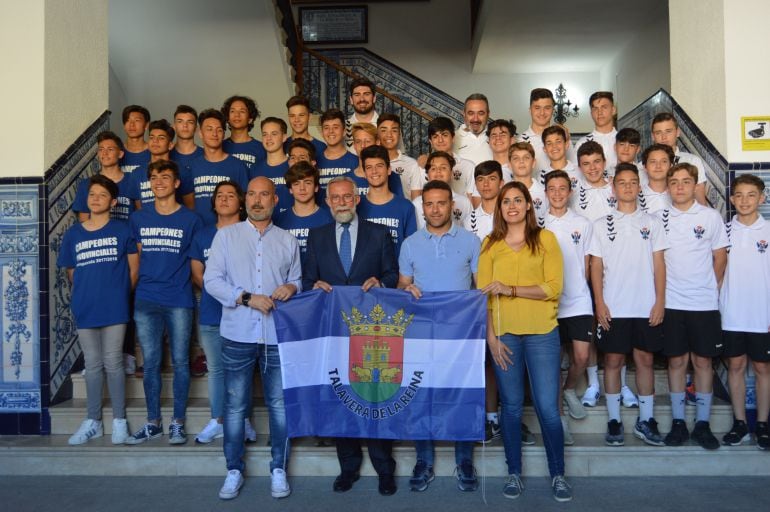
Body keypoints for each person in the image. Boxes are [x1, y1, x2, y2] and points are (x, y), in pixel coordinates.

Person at [204, 176, 301, 500]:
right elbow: (211, 281)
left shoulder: (288, 240)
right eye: (252, 195)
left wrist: (292, 287)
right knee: (235, 407)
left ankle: (278, 468)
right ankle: (234, 469)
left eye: (264, 195)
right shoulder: (226, 237)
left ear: (276, 200)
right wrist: (245, 297)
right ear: (245, 200)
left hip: (276, 336)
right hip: (237, 335)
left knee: (279, 406)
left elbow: (297, 279)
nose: (257, 200)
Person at [302, 176, 399, 497]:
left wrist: (380, 282)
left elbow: (391, 274)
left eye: (347, 197)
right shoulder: (316, 237)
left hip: (371, 333)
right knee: (341, 399)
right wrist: (313, 287)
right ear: (328, 202)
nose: (342, 202)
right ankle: (349, 468)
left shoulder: (379, 233)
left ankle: (385, 469)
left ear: (357, 199)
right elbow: (307, 280)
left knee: (374, 398)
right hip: (332, 333)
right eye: (336, 198)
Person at [477, 181, 571, 502]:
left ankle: (558, 474)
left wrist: (512, 289)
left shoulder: (545, 239)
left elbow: (553, 288)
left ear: (529, 205)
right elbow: (484, 298)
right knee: (512, 408)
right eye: (506, 202)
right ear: (500, 208)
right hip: (505, 336)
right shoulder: (490, 244)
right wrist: (491, 338)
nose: (512, 206)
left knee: (547, 409)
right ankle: (513, 473)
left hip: (542, 333)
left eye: (519, 200)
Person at [398, 179, 481, 492]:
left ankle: (464, 461)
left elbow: (480, 288)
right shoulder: (410, 244)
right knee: (421, 397)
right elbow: (402, 286)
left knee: (462, 395)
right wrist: (407, 289)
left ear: (452, 206)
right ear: (423, 207)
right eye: (429, 204)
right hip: (421, 334)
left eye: (441, 203)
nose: (434, 209)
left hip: (460, 335)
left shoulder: (472, 242)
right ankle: (425, 461)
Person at [588, 164, 668, 447]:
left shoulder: (653, 222)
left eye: (633, 182)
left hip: (646, 306)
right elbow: (595, 267)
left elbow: (659, 265)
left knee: (645, 360)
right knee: (613, 361)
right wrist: (599, 303)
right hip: (614, 307)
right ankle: (614, 421)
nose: (627, 187)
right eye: (622, 183)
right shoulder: (600, 224)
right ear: (614, 187)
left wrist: (660, 302)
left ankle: (645, 421)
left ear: (639, 186)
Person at [125, 160, 202, 445]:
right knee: (152, 362)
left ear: (177, 183)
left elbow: (197, 263)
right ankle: (153, 421)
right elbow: (136, 261)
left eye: (165, 177)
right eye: (154, 177)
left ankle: (178, 423)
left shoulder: (191, 220)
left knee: (181, 362)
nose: (159, 181)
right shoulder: (138, 218)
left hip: (179, 299)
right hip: (146, 299)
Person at [58, 175, 139, 445]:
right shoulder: (74, 233)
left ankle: (119, 422)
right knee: (93, 365)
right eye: (92, 194)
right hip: (85, 306)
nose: (95, 198)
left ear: (112, 201)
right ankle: (92, 421)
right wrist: (88, 293)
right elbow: (72, 272)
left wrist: (117, 295)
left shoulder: (122, 230)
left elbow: (133, 269)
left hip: (115, 306)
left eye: (102, 195)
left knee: (114, 363)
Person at [659, 162, 728, 450]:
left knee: (702, 363)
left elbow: (720, 258)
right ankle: (677, 422)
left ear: (696, 184)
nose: (679, 187)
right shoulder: (659, 218)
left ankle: (702, 424)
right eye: (673, 182)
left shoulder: (711, 217)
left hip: (703, 303)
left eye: (685, 181)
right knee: (676, 362)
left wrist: (709, 289)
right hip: (672, 302)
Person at [191, 181, 256, 444]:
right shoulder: (203, 235)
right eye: (220, 196)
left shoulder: (251, 233)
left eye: (231, 195)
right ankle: (218, 419)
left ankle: (244, 420)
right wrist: (225, 293)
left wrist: (240, 299)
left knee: (244, 371)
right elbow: (198, 275)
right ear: (214, 202)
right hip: (212, 313)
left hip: (245, 314)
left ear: (241, 202)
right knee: (217, 370)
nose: (225, 199)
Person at [544, 170, 594, 445]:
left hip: (578, 301)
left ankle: (569, 388)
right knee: (551, 364)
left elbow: (587, 263)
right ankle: (561, 422)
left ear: (570, 191)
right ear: (546, 192)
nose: (558, 193)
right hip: (549, 304)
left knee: (582, 357)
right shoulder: (539, 224)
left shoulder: (583, 223)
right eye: (553, 189)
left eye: (563, 188)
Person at [720, 174, 770, 450]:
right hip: (732, 313)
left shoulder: (768, 231)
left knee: (763, 367)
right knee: (736, 366)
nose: (745, 200)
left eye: (751, 195)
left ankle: (762, 424)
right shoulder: (725, 231)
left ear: (762, 198)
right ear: (731, 199)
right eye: (739, 195)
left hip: (762, 314)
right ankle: (739, 422)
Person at [183, 109, 249, 226]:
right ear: (200, 133)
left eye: (219, 130)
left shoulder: (237, 166)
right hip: (200, 232)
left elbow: (244, 203)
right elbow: (189, 206)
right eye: (209, 129)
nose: (214, 134)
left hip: (231, 231)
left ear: (223, 134)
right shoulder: (192, 167)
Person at [356, 145, 416, 256]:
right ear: (364, 173)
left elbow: (411, 250)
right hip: (366, 272)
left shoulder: (405, 207)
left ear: (389, 170)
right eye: (369, 167)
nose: (374, 171)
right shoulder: (357, 207)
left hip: (397, 271)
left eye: (379, 166)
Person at [273, 161, 333, 264]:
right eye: (296, 183)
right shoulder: (279, 220)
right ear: (290, 189)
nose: (302, 188)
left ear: (316, 187)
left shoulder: (329, 219)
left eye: (307, 182)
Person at [72, 131, 134, 221]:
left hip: (127, 234)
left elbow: (140, 213)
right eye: (101, 149)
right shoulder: (86, 184)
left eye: (110, 149)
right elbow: (84, 222)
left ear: (120, 154)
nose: (104, 153)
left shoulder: (133, 180)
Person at [651, 112, 707, 205]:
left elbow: (700, 200)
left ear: (677, 132)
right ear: (653, 136)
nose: (664, 137)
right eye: (658, 133)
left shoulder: (692, 161)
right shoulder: (642, 167)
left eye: (668, 131)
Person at [417, 117, 476, 203]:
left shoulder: (468, 166)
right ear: (430, 141)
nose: (440, 140)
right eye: (435, 136)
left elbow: (471, 199)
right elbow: (418, 199)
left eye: (444, 135)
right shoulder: (420, 167)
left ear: (453, 138)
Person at [517, 88, 575, 173]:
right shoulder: (519, 141)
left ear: (553, 110)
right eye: (537, 108)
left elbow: (573, 169)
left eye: (547, 108)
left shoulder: (563, 137)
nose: (542, 113)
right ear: (530, 110)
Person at [412, 151, 472, 229]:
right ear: (427, 174)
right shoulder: (416, 203)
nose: (438, 171)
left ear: (451, 173)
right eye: (433, 168)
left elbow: (470, 232)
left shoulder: (465, 202)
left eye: (443, 168)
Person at [129, 118, 175, 208]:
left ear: (170, 145)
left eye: (161, 138)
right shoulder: (136, 173)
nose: (155, 141)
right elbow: (139, 209)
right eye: (151, 137)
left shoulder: (181, 171)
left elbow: (189, 207)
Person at [250, 116, 292, 213]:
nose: (268, 138)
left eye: (274, 134)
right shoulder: (255, 169)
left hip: (291, 224)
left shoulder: (293, 166)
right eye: (265, 134)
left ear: (284, 137)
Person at [376, 113, 423, 199]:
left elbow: (416, 201)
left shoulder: (411, 164)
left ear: (399, 134)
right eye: (383, 130)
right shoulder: (372, 163)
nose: (389, 135)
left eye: (394, 130)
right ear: (378, 135)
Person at [574, 91, 618, 173]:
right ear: (591, 113)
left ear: (613, 110)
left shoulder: (623, 140)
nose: (599, 112)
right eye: (595, 109)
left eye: (604, 107)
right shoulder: (582, 143)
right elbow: (577, 174)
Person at [317, 108, 359, 192]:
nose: (331, 131)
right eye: (326, 128)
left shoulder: (356, 161)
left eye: (335, 127)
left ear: (344, 131)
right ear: (322, 132)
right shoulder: (315, 161)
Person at [221, 94, 266, 169]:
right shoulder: (220, 146)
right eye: (232, 111)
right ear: (227, 118)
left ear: (250, 119)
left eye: (242, 111)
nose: (237, 115)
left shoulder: (261, 148)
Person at [511, 141, 549, 225]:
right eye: (516, 158)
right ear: (510, 165)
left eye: (526, 158)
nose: (521, 161)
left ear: (534, 163)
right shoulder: (503, 193)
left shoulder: (545, 194)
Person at [453, 93, 493, 165]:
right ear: (464, 114)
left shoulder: (498, 138)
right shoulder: (452, 139)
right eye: (471, 113)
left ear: (488, 114)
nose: (475, 119)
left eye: (481, 113)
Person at [345, 77, 379, 153]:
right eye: (357, 95)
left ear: (374, 98)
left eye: (366, 94)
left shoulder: (386, 126)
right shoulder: (343, 127)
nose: (362, 99)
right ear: (351, 100)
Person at [170, 104, 204, 179]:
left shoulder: (205, 154)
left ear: (196, 128)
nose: (185, 125)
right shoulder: (167, 155)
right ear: (174, 126)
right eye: (180, 121)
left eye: (190, 122)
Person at [639, 144, 674, 214]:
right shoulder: (634, 195)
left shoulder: (680, 193)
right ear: (645, 167)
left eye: (664, 161)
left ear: (671, 166)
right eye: (653, 162)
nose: (658, 166)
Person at [120, 105, 151, 174]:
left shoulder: (155, 152)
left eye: (137, 120)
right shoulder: (116, 152)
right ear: (124, 126)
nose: (132, 124)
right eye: (128, 120)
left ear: (146, 125)